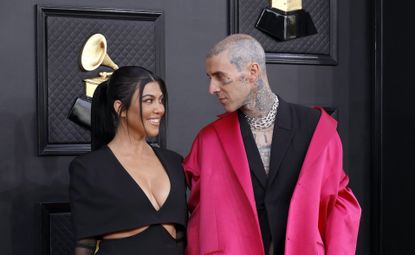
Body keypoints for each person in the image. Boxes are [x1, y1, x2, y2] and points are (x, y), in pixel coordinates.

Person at [183, 34, 361, 255]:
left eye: (221, 77)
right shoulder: (209, 141)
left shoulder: (316, 129)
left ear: (253, 71)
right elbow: (200, 218)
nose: (212, 88)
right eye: (210, 78)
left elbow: (338, 206)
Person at [69, 66, 187, 255]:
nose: (160, 109)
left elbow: (181, 239)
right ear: (120, 109)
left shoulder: (175, 162)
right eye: (149, 101)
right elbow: (85, 245)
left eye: (161, 100)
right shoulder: (89, 168)